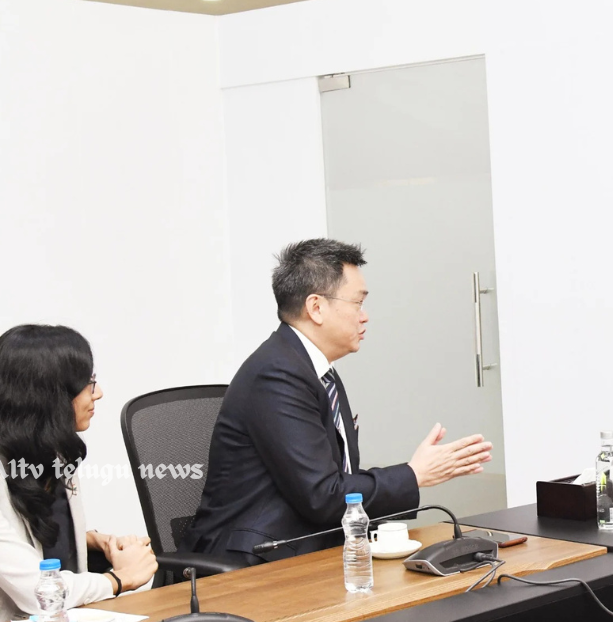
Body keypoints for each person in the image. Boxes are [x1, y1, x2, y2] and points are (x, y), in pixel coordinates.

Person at [182, 239, 493, 563]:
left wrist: (411, 477)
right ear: (316, 307)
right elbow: (322, 495)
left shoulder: (316, 370)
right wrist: (413, 475)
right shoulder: (276, 374)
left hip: (310, 548)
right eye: (358, 303)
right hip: (253, 563)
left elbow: (337, 482)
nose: (365, 317)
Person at [0, 325, 158, 622]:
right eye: (88, 383)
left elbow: (21, 533)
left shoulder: (53, 454)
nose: (98, 393)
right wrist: (119, 579)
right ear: (47, 395)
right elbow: (37, 590)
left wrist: (94, 541)